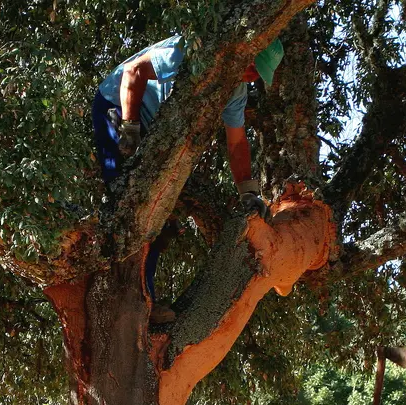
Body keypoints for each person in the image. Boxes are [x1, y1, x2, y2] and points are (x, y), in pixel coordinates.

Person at [93, 36, 284, 323]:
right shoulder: (194, 49)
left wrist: (248, 192)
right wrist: (130, 128)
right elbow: (134, 72)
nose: (254, 76)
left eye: (259, 74)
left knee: (158, 221)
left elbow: (237, 143)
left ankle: (143, 305)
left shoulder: (236, 90)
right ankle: (122, 305)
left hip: (153, 130)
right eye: (255, 67)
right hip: (117, 106)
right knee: (130, 209)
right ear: (248, 47)